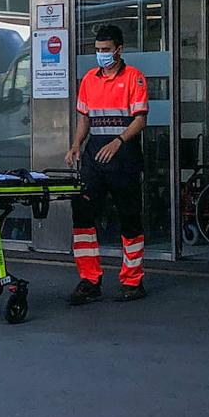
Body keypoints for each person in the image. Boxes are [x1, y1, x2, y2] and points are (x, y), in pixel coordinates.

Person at [64, 24, 149, 304]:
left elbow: (140, 119)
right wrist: (76, 143)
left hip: (123, 158)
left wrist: (119, 141)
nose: (101, 55)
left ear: (119, 49)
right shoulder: (89, 79)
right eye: (98, 50)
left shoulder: (134, 78)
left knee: (129, 218)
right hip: (93, 158)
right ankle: (89, 280)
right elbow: (85, 118)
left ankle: (132, 281)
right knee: (83, 216)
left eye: (106, 50)